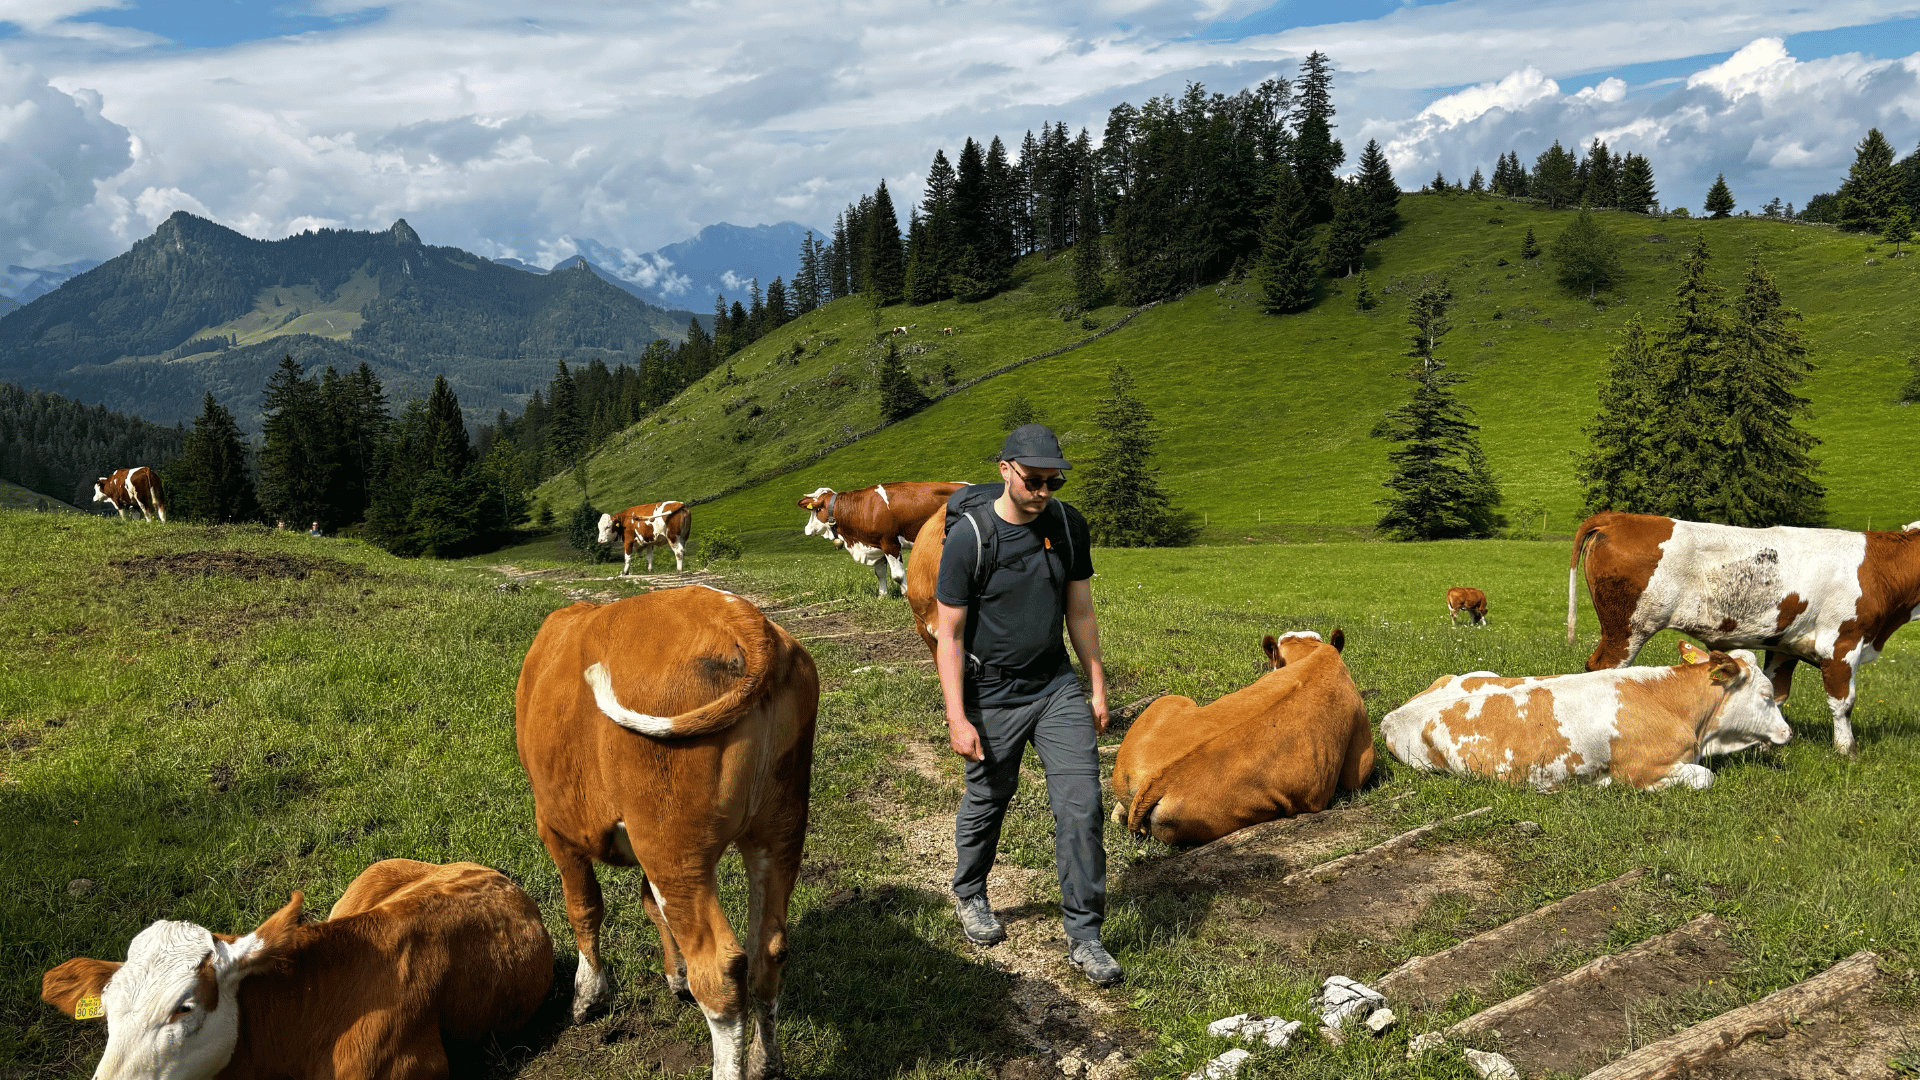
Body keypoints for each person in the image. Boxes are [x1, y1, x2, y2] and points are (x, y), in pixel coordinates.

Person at [933, 423, 1120, 987]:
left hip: (1053, 685)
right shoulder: (969, 537)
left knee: (1082, 804)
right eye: (1033, 480)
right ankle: (970, 892)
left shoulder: (1065, 526)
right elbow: (949, 635)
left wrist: (1096, 683)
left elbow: (1079, 612)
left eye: (1052, 481)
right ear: (1005, 469)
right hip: (989, 690)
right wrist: (957, 716)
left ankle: (1085, 935)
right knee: (990, 793)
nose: (1042, 492)